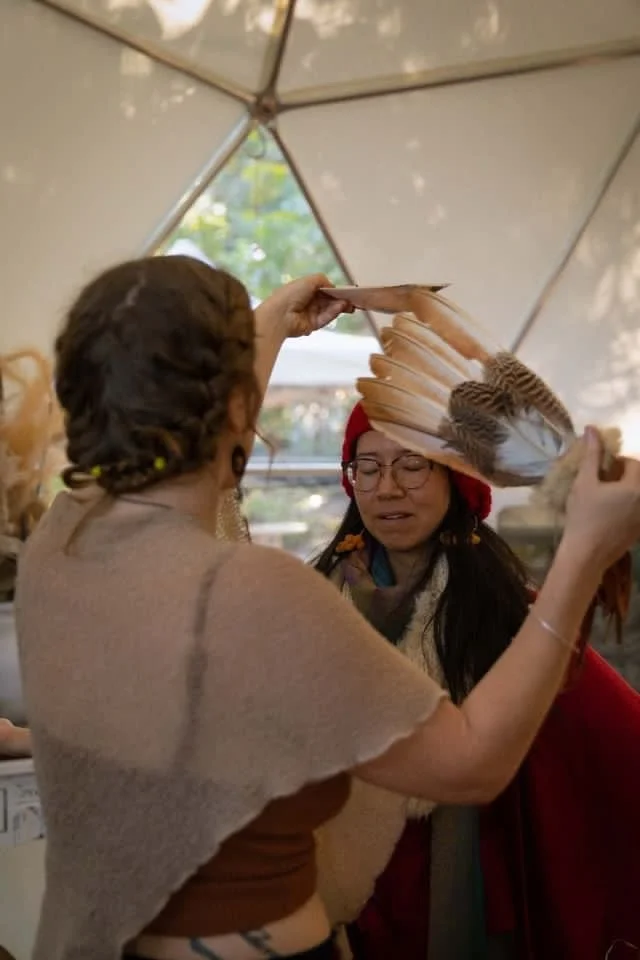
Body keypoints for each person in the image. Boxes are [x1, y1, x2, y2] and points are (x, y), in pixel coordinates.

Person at [14, 255, 640, 960]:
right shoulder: (260, 594)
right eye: (369, 468)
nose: (389, 486)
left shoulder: (59, 550)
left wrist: (272, 322)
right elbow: (469, 765)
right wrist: (586, 550)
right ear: (235, 409)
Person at [314, 402, 640, 960]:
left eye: (412, 465)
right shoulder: (314, 601)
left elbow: (612, 733)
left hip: (464, 882)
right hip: (337, 884)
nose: (387, 488)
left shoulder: (507, 615)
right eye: (367, 466)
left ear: (456, 478)